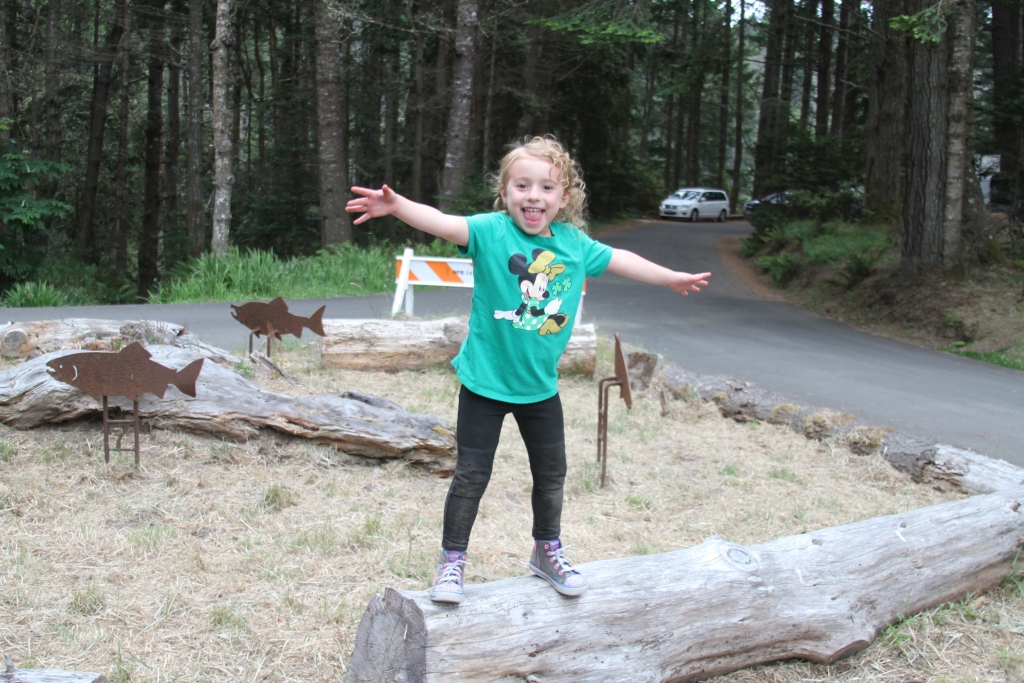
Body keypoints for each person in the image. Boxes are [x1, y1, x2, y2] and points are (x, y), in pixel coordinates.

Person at [346, 136, 711, 604]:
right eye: (522, 185)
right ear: (505, 192)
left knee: (552, 474)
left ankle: (546, 551)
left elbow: (621, 259)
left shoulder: (574, 245)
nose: (533, 196)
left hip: (539, 388)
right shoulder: (491, 231)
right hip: (484, 383)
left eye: (546, 187)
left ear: (564, 197)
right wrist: (397, 207)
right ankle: (452, 562)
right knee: (471, 475)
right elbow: (442, 221)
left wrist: (670, 277)